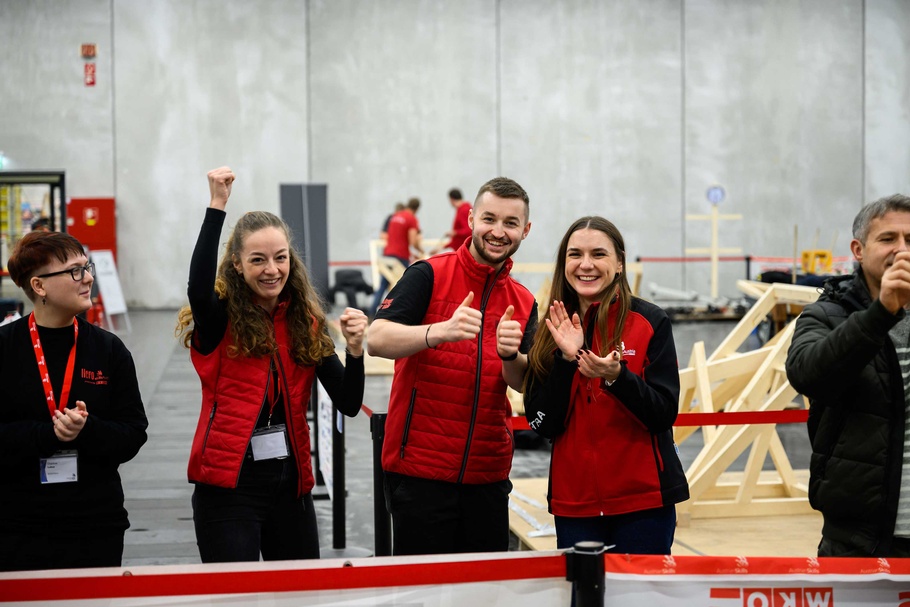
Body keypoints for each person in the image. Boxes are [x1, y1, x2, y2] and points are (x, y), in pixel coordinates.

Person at [176, 167, 366, 563]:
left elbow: (348, 401)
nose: (271, 269)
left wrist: (354, 349)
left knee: (299, 595)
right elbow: (197, 288)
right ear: (237, 264)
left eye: (280, 258)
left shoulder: (305, 322)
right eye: (258, 260)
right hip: (228, 488)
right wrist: (216, 206)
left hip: (290, 487)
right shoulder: (219, 321)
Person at [368, 177, 537, 555]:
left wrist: (512, 356)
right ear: (472, 218)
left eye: (510, 223)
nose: (498, 231)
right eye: (489, 219)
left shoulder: (523, 300)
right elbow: (377, 339)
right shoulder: (428, 273)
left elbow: (524, 383)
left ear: (525, 230)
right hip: (419, 472)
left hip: (486, 475)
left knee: (484, 592)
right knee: (423, 592)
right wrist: (437, 332)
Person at [523, 216, 688, 555]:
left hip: (643, 504)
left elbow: (663, 413)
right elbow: (542, 423)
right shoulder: (549, 329)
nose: (586, 265)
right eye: (575, 255)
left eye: (598, 254)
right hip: (575, 506)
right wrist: (565, 363)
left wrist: (616, 377)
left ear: (620, 263)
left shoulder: (650, 321)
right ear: (563, 263)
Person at [0, 231, 148, 571]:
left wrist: (87, 428)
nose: (88, 278)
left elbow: (133, 433)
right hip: (17, 525)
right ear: (39, 286)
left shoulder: (109, 350)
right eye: (74, 271)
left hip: (95, 523)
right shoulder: (5, 347)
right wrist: (47, 435)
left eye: (87, 267)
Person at [786, 193, 910, 558]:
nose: (901, 249)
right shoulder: (825, 315)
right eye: (888, 238)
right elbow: (808, 374)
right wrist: (882, 313)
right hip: (861, 537)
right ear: (858, 249)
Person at [370, 197, 423, 316]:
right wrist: (420, 250)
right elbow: (413, 240)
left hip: (388, 254)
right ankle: (400, 314)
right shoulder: (412, 219)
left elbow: (394, 237)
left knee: (383, 285)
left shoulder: (395, 216)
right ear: (417, 209)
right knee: (405, 286)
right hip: (400, 257)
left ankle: (372, 312)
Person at [429, 188, 472, 255]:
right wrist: (440, 248)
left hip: (462, 252)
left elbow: (469, 230)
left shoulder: (464, 210)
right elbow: (456, 239)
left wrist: (455, 232)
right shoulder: (462, 209)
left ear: (451, 199)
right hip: (460, 249)